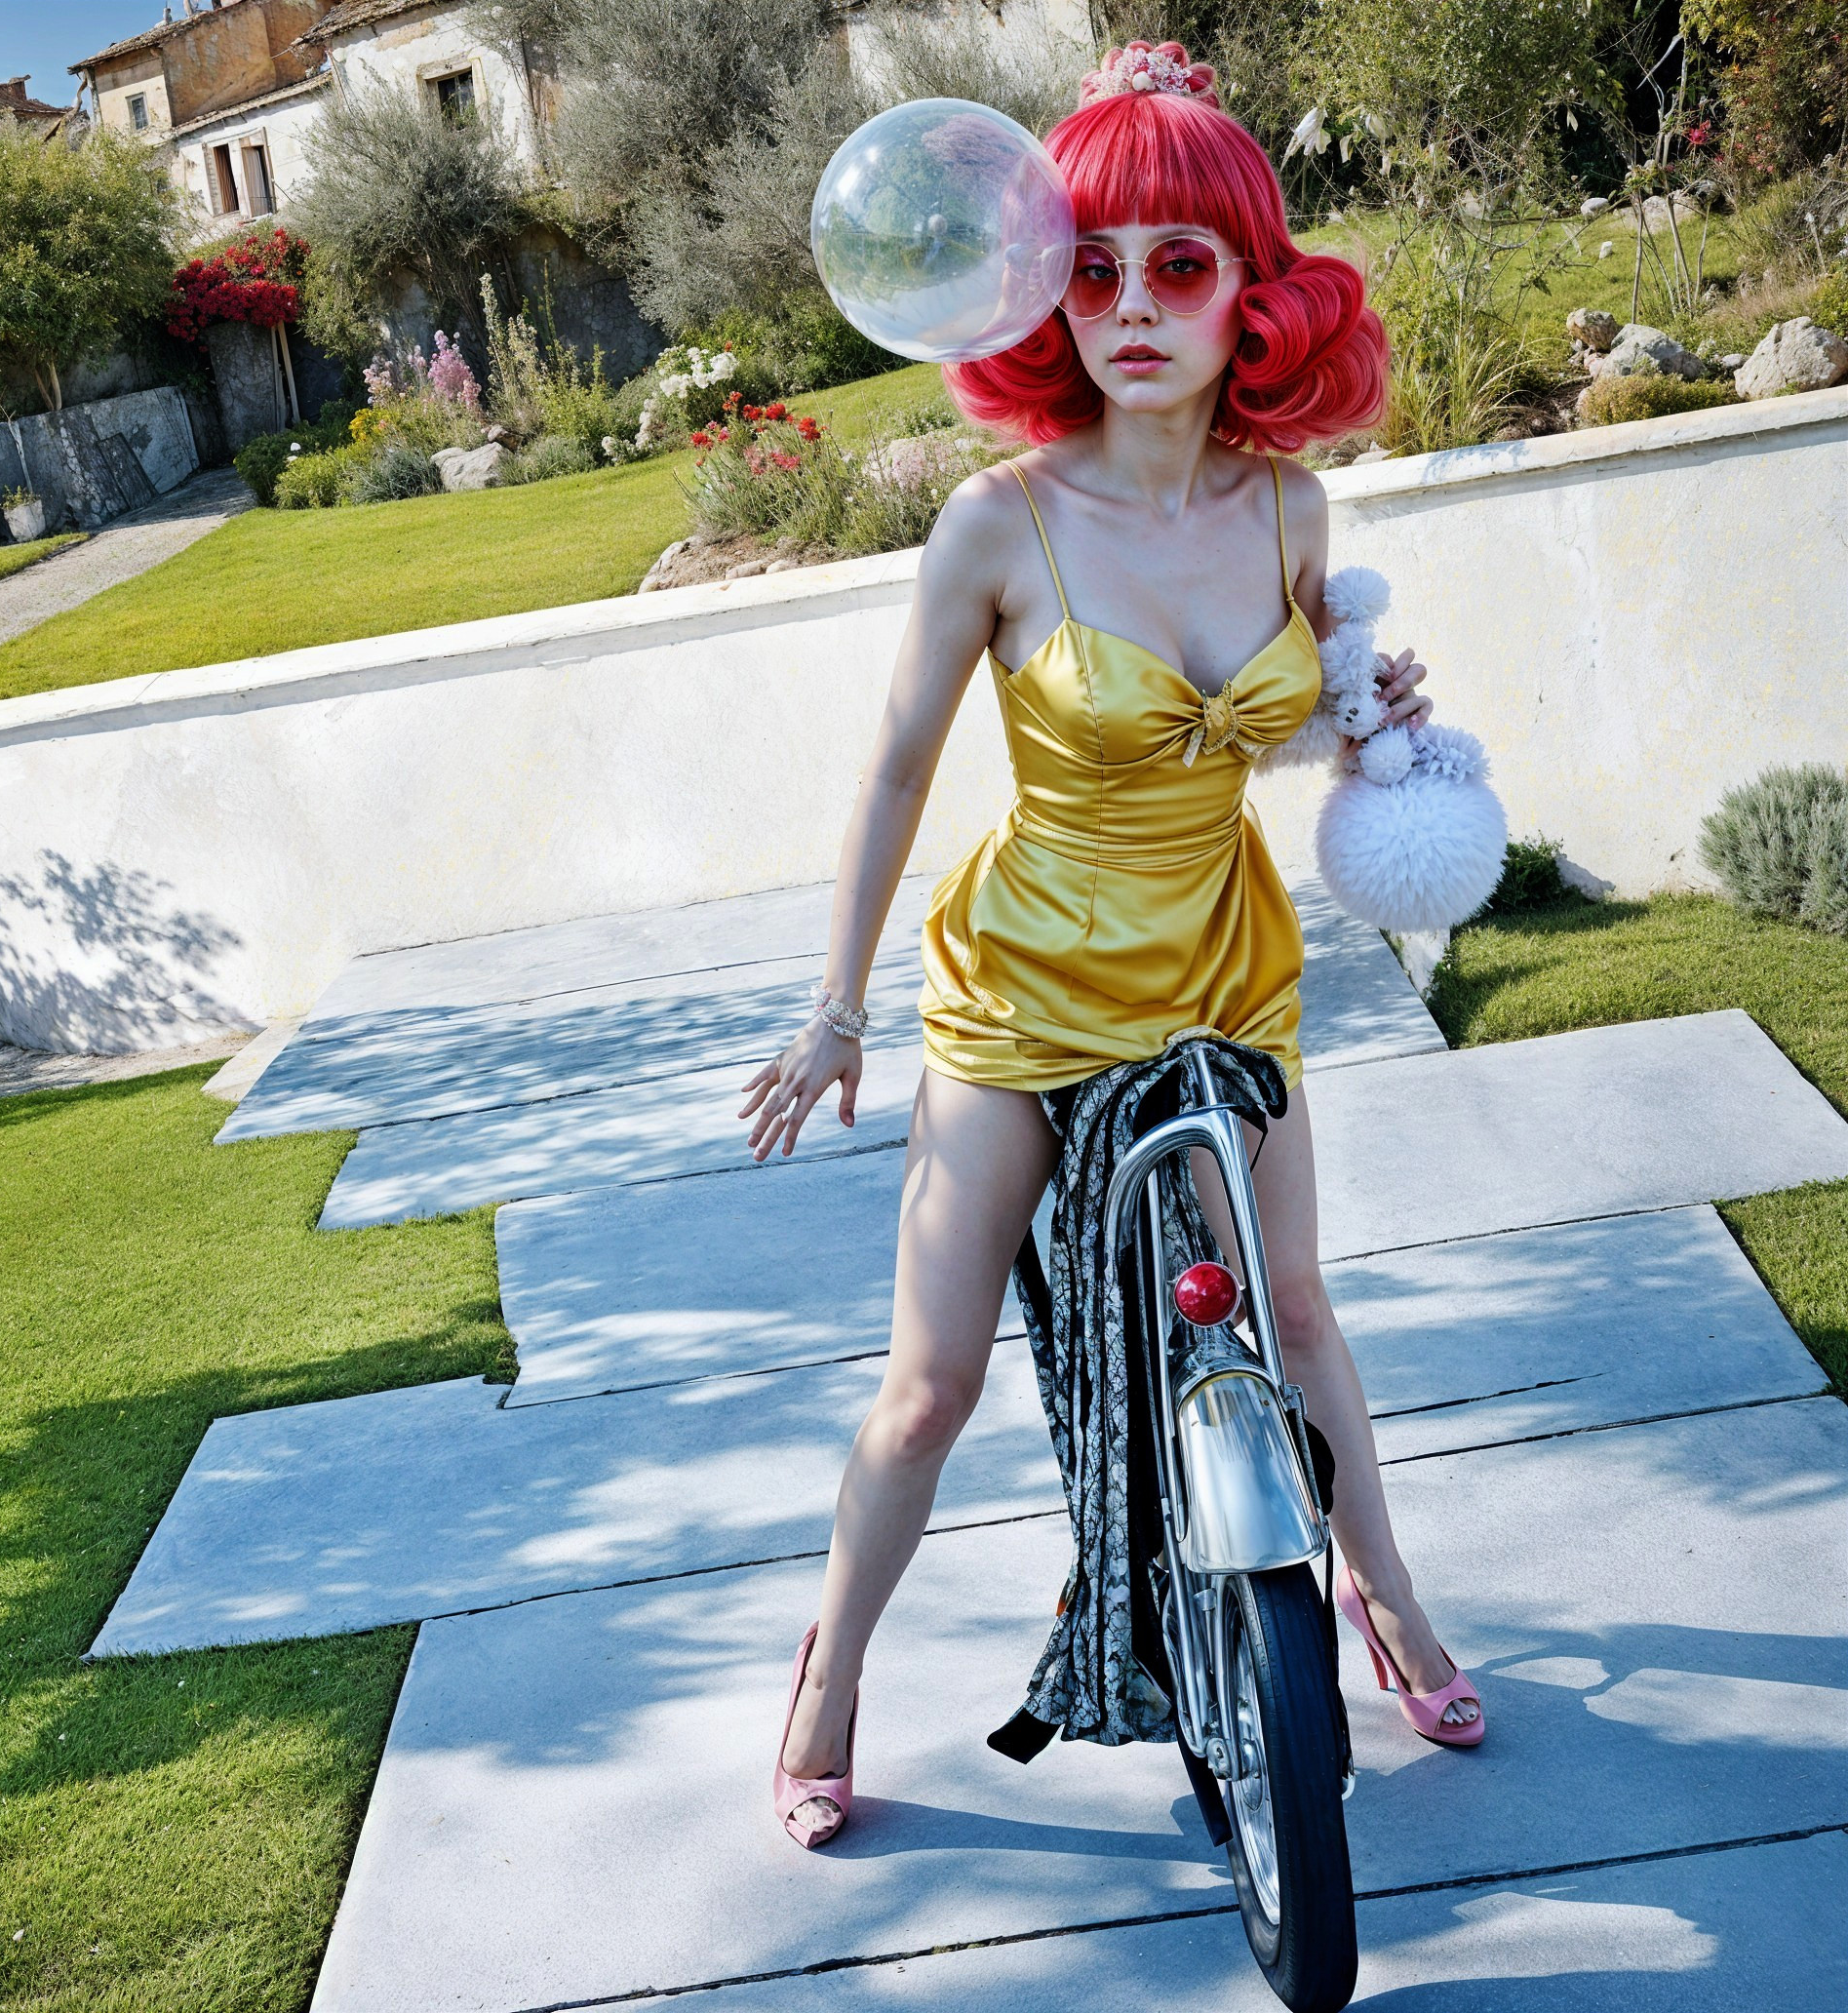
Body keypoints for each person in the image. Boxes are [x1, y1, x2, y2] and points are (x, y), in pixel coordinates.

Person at [742, 41, 1483, 1853]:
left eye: (1181, 264)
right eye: (1094, 267)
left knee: (1297, 1309)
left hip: (1224, 968)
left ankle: (1383, 1599)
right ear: (1039, 292)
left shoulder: (1295, 513)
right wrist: (837, 1010)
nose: (1134, 306)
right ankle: (831, 1673)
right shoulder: (996, 522)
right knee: (930, 1388)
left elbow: (1268, 736)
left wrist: (1369, 718)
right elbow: (900, 768)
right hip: (1024, 990)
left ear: (1254, 295)